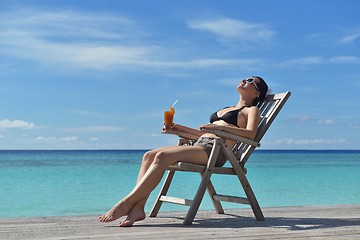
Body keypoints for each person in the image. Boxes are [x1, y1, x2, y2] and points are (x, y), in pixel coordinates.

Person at [98, 76, 269, 227]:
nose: (244, 81)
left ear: (257, 93)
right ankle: (138, 208)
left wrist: (219, 131)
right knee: (149, 155)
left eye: (250, 81)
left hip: (215, 151)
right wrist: (178, 128)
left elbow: (251, 134)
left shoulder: (251, 110)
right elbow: (203, 133)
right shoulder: (227, 108)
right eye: (245, 78)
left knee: (162, 156)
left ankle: (125, 204)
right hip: (201, 143)